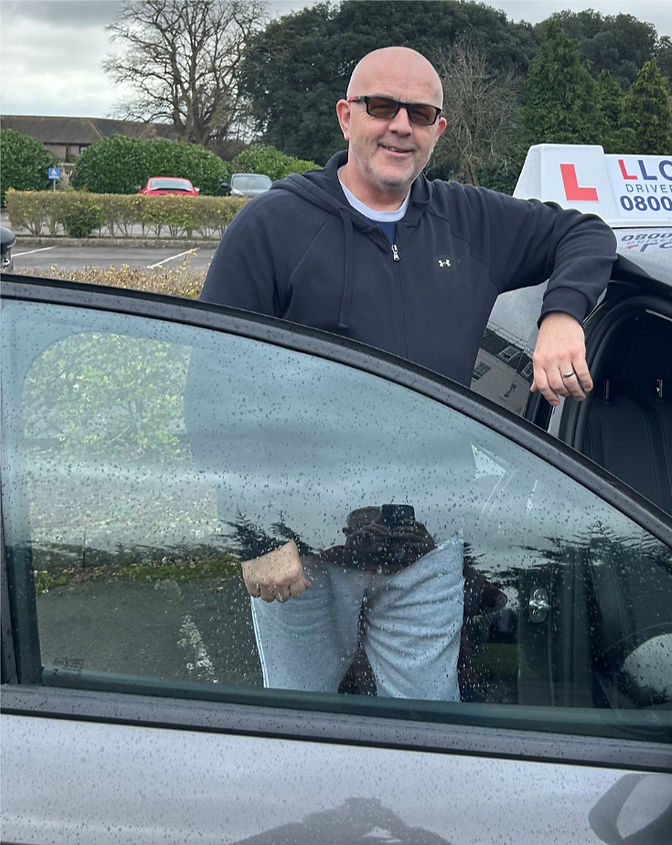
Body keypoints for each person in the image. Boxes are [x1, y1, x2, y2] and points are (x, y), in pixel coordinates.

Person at [198, 46, 617, 700]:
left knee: (424, 726)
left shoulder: (469, 220)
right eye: (382, 107)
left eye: (419, 114)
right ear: (346, 116)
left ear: (437, 130)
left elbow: (586, 233)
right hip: (304, 547)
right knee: (301, 717)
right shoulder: (273, 226)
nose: (400, 126)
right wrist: (256, 535)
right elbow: (215, 390)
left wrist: (562, 315)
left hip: (426, 545)